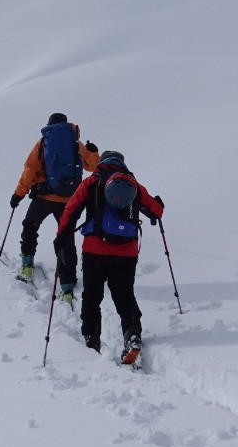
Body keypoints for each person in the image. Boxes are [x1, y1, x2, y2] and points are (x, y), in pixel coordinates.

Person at [57, 151, 165, 365]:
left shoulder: (92, 182)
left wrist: (61, 238)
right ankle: (132, 334)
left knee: (92, 295)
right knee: (125, 295)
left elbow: (70, 210)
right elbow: (156, 211)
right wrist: (158, 205)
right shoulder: (133, 184)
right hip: (126, 253)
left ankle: (91, 338)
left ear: (102, 162)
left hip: (94, 250)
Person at [10, 112, 100, 304]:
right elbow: (93, 166)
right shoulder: (76, 144)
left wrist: (19, 194)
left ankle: (26, 264)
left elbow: (30, 171)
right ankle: (67, 285)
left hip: (44, 197)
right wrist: (94, 152)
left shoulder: (44, 142)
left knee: (30, 225)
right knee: (66, 238)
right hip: (69, 200)